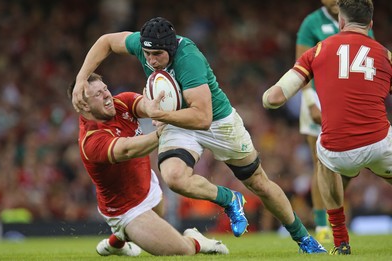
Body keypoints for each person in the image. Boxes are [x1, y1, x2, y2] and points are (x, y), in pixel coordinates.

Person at [72, 17, 326, 253]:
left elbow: (202, 118)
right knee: (173, 177)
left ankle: (303, 238)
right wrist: (82, 79)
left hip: (217, 121)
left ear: (171, 49)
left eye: (157, 54)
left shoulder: (187, 59)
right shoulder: (145, 46)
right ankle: (229, 199)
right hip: (178, 122)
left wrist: (160, 117)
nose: (151, 60)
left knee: (259, 183)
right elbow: (106, 41)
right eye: (147, 53)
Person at [263, 0, 392, 255]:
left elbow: (274, 98)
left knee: (323, 162)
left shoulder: (318, 50)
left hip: (337, 150)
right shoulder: (385, 55)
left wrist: (267, 97)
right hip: (380, 144)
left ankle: (341, 240)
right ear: (371, 24)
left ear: (341, 22)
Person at [67, 73, 229, 256]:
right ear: (84, 105)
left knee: (160, 210)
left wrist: (153, 107)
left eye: (105, 89)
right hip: (127, 210)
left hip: (146, 184)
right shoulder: (91, 140)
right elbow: (128, 149)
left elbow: (143, 105)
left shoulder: (120, 103)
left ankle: (116, 242)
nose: (107, 95)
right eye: (98, 94)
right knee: (182, 251)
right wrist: (161, 133)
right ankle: (196, 239)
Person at [295, 0, 375, 243]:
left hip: (347, 100)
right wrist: (310, 102)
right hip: (317, 99)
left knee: (348, 167)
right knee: (321, 163)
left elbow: (368, 59)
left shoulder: (358, 19)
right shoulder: (311, 22)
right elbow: (301, 65)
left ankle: (332, 214)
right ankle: (322, 225)